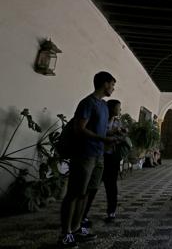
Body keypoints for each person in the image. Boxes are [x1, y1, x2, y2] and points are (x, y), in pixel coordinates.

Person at [58, 71, 116, 248]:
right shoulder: (87, 103)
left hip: (99, 155)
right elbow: (79, 129)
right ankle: (65, 234)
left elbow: (100, 130)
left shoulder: (104, 106)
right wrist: (102, 139)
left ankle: (76, 229)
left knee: (86, 193)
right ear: (105, 84)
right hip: (84, 154)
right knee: (74, 193)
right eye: (112, 84)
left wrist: (112, 134)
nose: (113, 88)